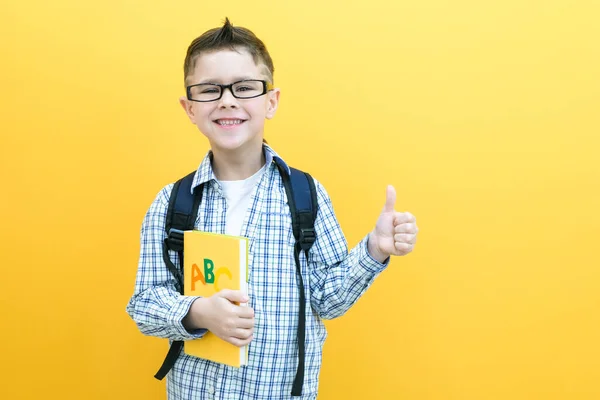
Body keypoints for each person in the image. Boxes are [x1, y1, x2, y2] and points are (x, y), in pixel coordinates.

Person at [126, 18, 419, 400]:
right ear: (189, 108)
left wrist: (375, 249)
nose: (227, 100)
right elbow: (145, 303)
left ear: (271, 101)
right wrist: (198, 311)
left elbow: (327, 299)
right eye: (210, 90)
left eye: (245, 87)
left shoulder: (305, 195)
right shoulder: (173, 202)